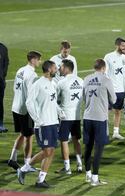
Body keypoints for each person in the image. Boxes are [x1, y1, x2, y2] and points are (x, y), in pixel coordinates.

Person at [17, 60, 59, 188]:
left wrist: (60, 111)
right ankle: (24, 169)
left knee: (51, 152)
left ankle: (41, 180)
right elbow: (29, 103)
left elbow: (53, 101)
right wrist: (37, 119)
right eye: (55, 68)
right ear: (49, 69)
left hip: (53, 122)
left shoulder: (53, 83)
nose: (57, 70)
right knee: (46, 152)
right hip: (43, 123)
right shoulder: (38, 84)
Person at [83, 59, 116, 186]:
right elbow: (113, 98)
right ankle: (95, 179)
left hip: (87, 116)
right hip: (100, 118)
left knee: (88, 145)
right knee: (99, 147)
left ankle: (88, 174)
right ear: (104, 68)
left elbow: (84, 97)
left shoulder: (86, 79)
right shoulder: (106, 80)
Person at [8, 51, 41, 171]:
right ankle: (27, 164)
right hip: (24, 110)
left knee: (22, 133)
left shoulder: (20, 70)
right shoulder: (32, 74)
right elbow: (31, 95)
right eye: (38, 59)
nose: (39, 62)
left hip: (15, 106)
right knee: (29, 136)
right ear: (33, 60)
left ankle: (13, 159)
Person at [55, 59, 83, 174]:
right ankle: (79, 165)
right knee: (76, 139)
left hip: (65, 116)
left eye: (61, 67)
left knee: (64, 140)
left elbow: (55, 99)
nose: (59, 69)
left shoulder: (61, 82)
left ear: (67, 68)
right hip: (77, 116)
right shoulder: (81, 81)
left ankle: (67, 168)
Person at [104, 37, 125, 140]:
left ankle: (116, 132)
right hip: (111, 89)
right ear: (117, 45)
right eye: (123, 46)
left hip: (121, 89)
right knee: (106, 111)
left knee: (118, 111)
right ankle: (104, 132)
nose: (124, 48)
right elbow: (105, 73)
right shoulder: (109, 57)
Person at [0, 42, 9, 132]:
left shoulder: (3, 48)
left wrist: (3, 75)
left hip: (0, 81)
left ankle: (0, 124)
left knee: (0, 102)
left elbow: (6, 62)